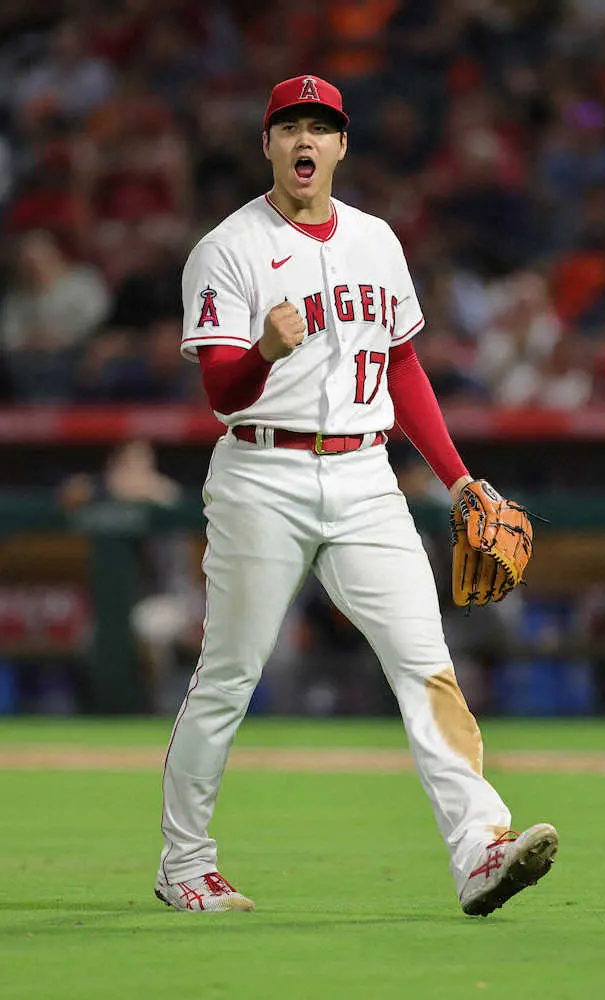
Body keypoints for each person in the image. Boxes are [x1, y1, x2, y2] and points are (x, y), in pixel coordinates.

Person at [155, 75, 558, 917]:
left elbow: (403, 365)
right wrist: (263, 348)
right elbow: (222, 395)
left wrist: (457, 476)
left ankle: (481, 848)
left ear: (341, 146)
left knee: (426, 663)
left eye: (321, 128)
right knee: (229, 673)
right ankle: (184, 863)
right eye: (289, 126)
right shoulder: (227, 248)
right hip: (262, 472)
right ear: (267, 145)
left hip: (366, 475)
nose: (305, 140)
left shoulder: (377, 240)